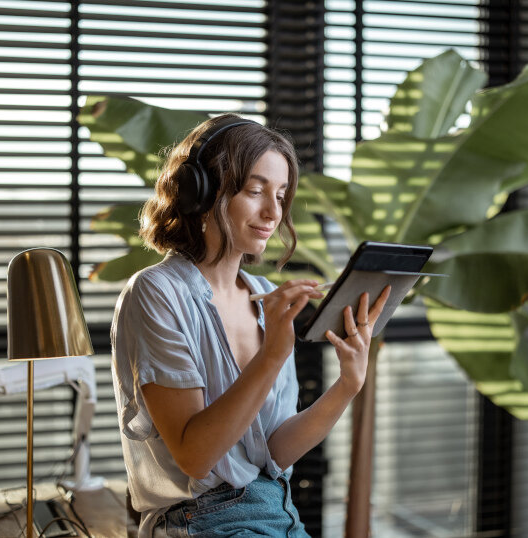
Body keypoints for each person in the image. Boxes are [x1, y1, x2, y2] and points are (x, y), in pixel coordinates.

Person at [111, 114, 390, 537]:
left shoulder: (265, 296)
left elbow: (274, 451)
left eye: (280, 196)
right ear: (200, 192)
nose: (272, 212)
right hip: (200, 520)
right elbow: (195, 456)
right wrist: (273, 353)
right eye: (256, 191)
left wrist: (348, 384)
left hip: (280, 511)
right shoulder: (156, 293)